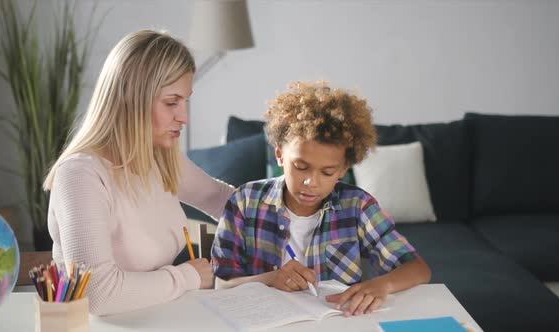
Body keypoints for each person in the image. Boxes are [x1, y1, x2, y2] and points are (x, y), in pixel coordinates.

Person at [43, 30, 235, 316]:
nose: (184, 117)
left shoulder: (158, 157)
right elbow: (97, 294)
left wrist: (297, 208)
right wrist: (188, 276)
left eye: (185, 101)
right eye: (171, 102)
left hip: (163, 316)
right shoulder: (80, 175)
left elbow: (221, 199)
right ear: (132, 98)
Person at [211, 81, 431, 316]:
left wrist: (381, 284)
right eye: (301, 167)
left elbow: (418, 268)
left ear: (343, 168)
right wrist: (270, 279)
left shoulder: (357, 207)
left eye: (327, 172)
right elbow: (222, 285)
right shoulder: (245, 201)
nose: (311, 182)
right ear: (279, 154)